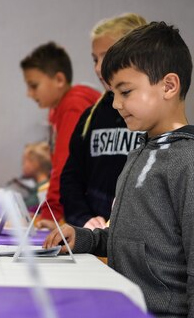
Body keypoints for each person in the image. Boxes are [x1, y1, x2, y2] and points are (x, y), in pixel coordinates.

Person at [44, 22, 194, 318]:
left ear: (169, 85)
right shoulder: (141, 153)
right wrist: (85, 238)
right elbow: (130, 239)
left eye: (126, 91)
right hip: (127, 308)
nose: (116, 104)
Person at [60, 13, 147, 229]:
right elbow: (71, 179)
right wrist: (84, 218)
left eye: (106, 56)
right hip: (94, 236)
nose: (99, 68)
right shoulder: (91, 117)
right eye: (94, 59)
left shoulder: (151, 117)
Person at [20, 42, 99, 224]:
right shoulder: (56, 109)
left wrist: (52, 214)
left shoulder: (74, 104)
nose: (29, 94)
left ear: (59, 80)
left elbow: (64, 164)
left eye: (34, 85)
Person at [6, 142, 51, 209]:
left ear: (35, 164)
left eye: (24, 162)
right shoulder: (38, 189)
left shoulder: (44, 190)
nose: (22, 166)